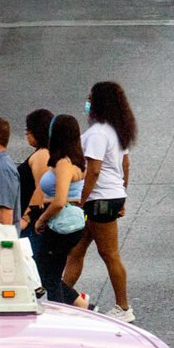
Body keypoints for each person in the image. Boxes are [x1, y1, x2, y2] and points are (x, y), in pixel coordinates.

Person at [65, 80, 137, 322]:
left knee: (109, 253)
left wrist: (80, 200)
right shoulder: (117, 131)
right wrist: (122, 195)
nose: (87, 102)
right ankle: (60, 296)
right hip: (111, 196)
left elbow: (93, 170)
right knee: (76, 250)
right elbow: (125, 165)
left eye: (90, 98)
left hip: (98, 200)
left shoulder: (97, 133)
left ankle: (123, 307)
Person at [30, 114, 89, 308]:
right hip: (69, 223)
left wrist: (41, 220)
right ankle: (80, 304)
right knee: (51, 273)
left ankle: (62, 313)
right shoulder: (76, 160)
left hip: (59, 223)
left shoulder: (64, 163)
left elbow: (59, 201)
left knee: (48, 276)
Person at [17, 108, 52, 237]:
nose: (26, 133)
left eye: (29, 129)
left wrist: (26, 217)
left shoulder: (42, 154)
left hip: (30, 222)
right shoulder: (44, 152)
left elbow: (41, 189)